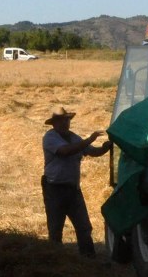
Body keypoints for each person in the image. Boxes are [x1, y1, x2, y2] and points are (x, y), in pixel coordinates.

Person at [40, 107, 110, 257]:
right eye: (61, 121)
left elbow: (92, 152)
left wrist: (105, 148)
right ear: (54, 124)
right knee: (55, 228)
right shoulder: (50, 138)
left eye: (67, 120)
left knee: (84, 227)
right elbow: (65, 151)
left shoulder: (74, 138)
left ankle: (89, 259)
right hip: (54, 188)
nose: (65, 123)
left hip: (72, 188)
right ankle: (55, 259)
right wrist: (89, 140)